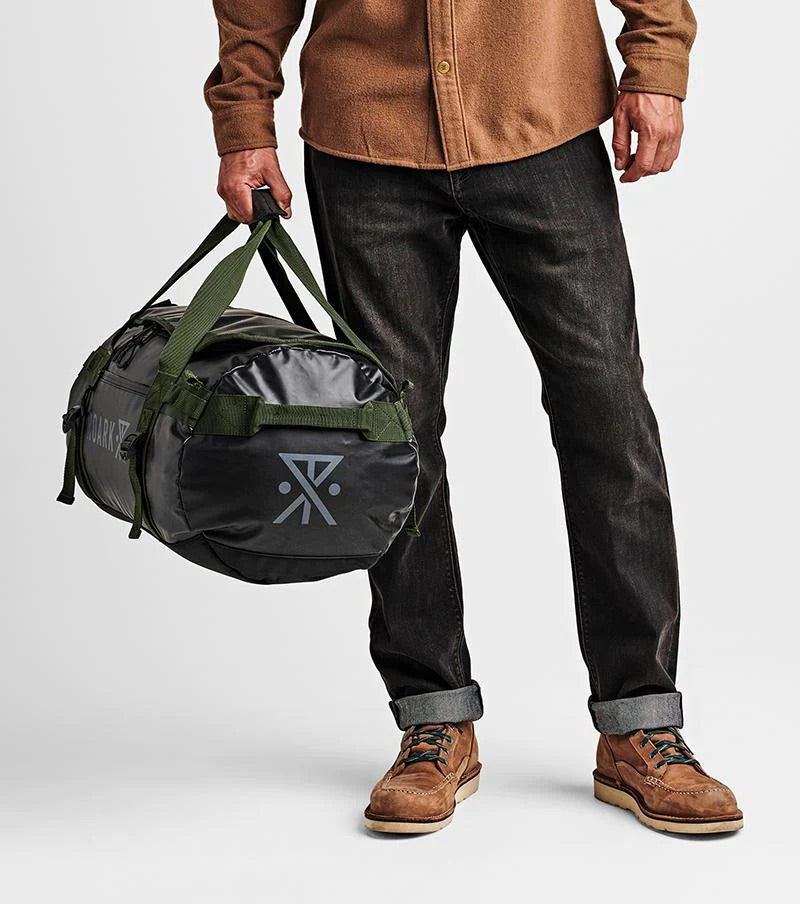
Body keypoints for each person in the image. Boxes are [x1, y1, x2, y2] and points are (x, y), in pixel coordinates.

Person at [204, 0, 742, 835]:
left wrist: (658, 63)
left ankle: (641, 723)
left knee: (607, 412)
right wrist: (244, 118)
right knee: (394, 438)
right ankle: (433, 719)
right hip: (366, 135)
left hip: (543, 117)